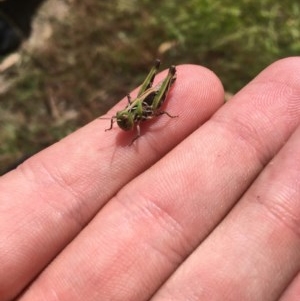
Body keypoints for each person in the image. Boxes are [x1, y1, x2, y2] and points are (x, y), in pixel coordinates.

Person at [1, 57, 300, 301]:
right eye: (121, 122)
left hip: (152, 103)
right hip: (139, 102)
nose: (122, 125)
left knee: (158, 105)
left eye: (124, 122)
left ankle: (166, 76)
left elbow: (147, 116)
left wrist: (158, 114)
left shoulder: (141, 119)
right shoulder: (125, 118)